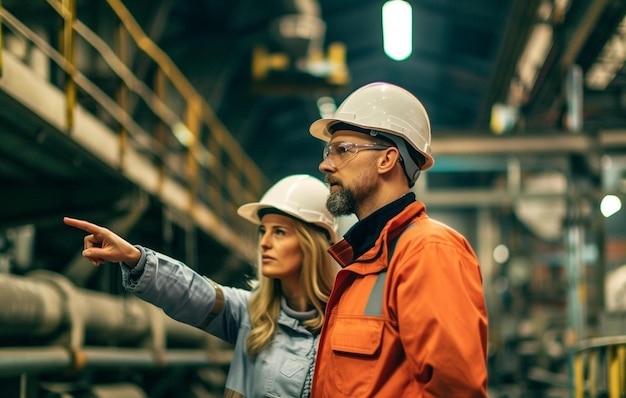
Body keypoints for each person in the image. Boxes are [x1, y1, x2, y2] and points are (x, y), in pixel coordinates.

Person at [64, 174, 340, 398]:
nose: (265, 242)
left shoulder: (343, 327)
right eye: (263, 231)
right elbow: (193, 292)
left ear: (311, 244)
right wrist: (136, 258)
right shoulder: (252, 314)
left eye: (279, 232)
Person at [308, 82, 489, 397]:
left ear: (387, 160)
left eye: (343, 150)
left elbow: (455, 390)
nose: (326, 164)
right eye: (328, 151)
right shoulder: (363, 263)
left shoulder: (428, 251)